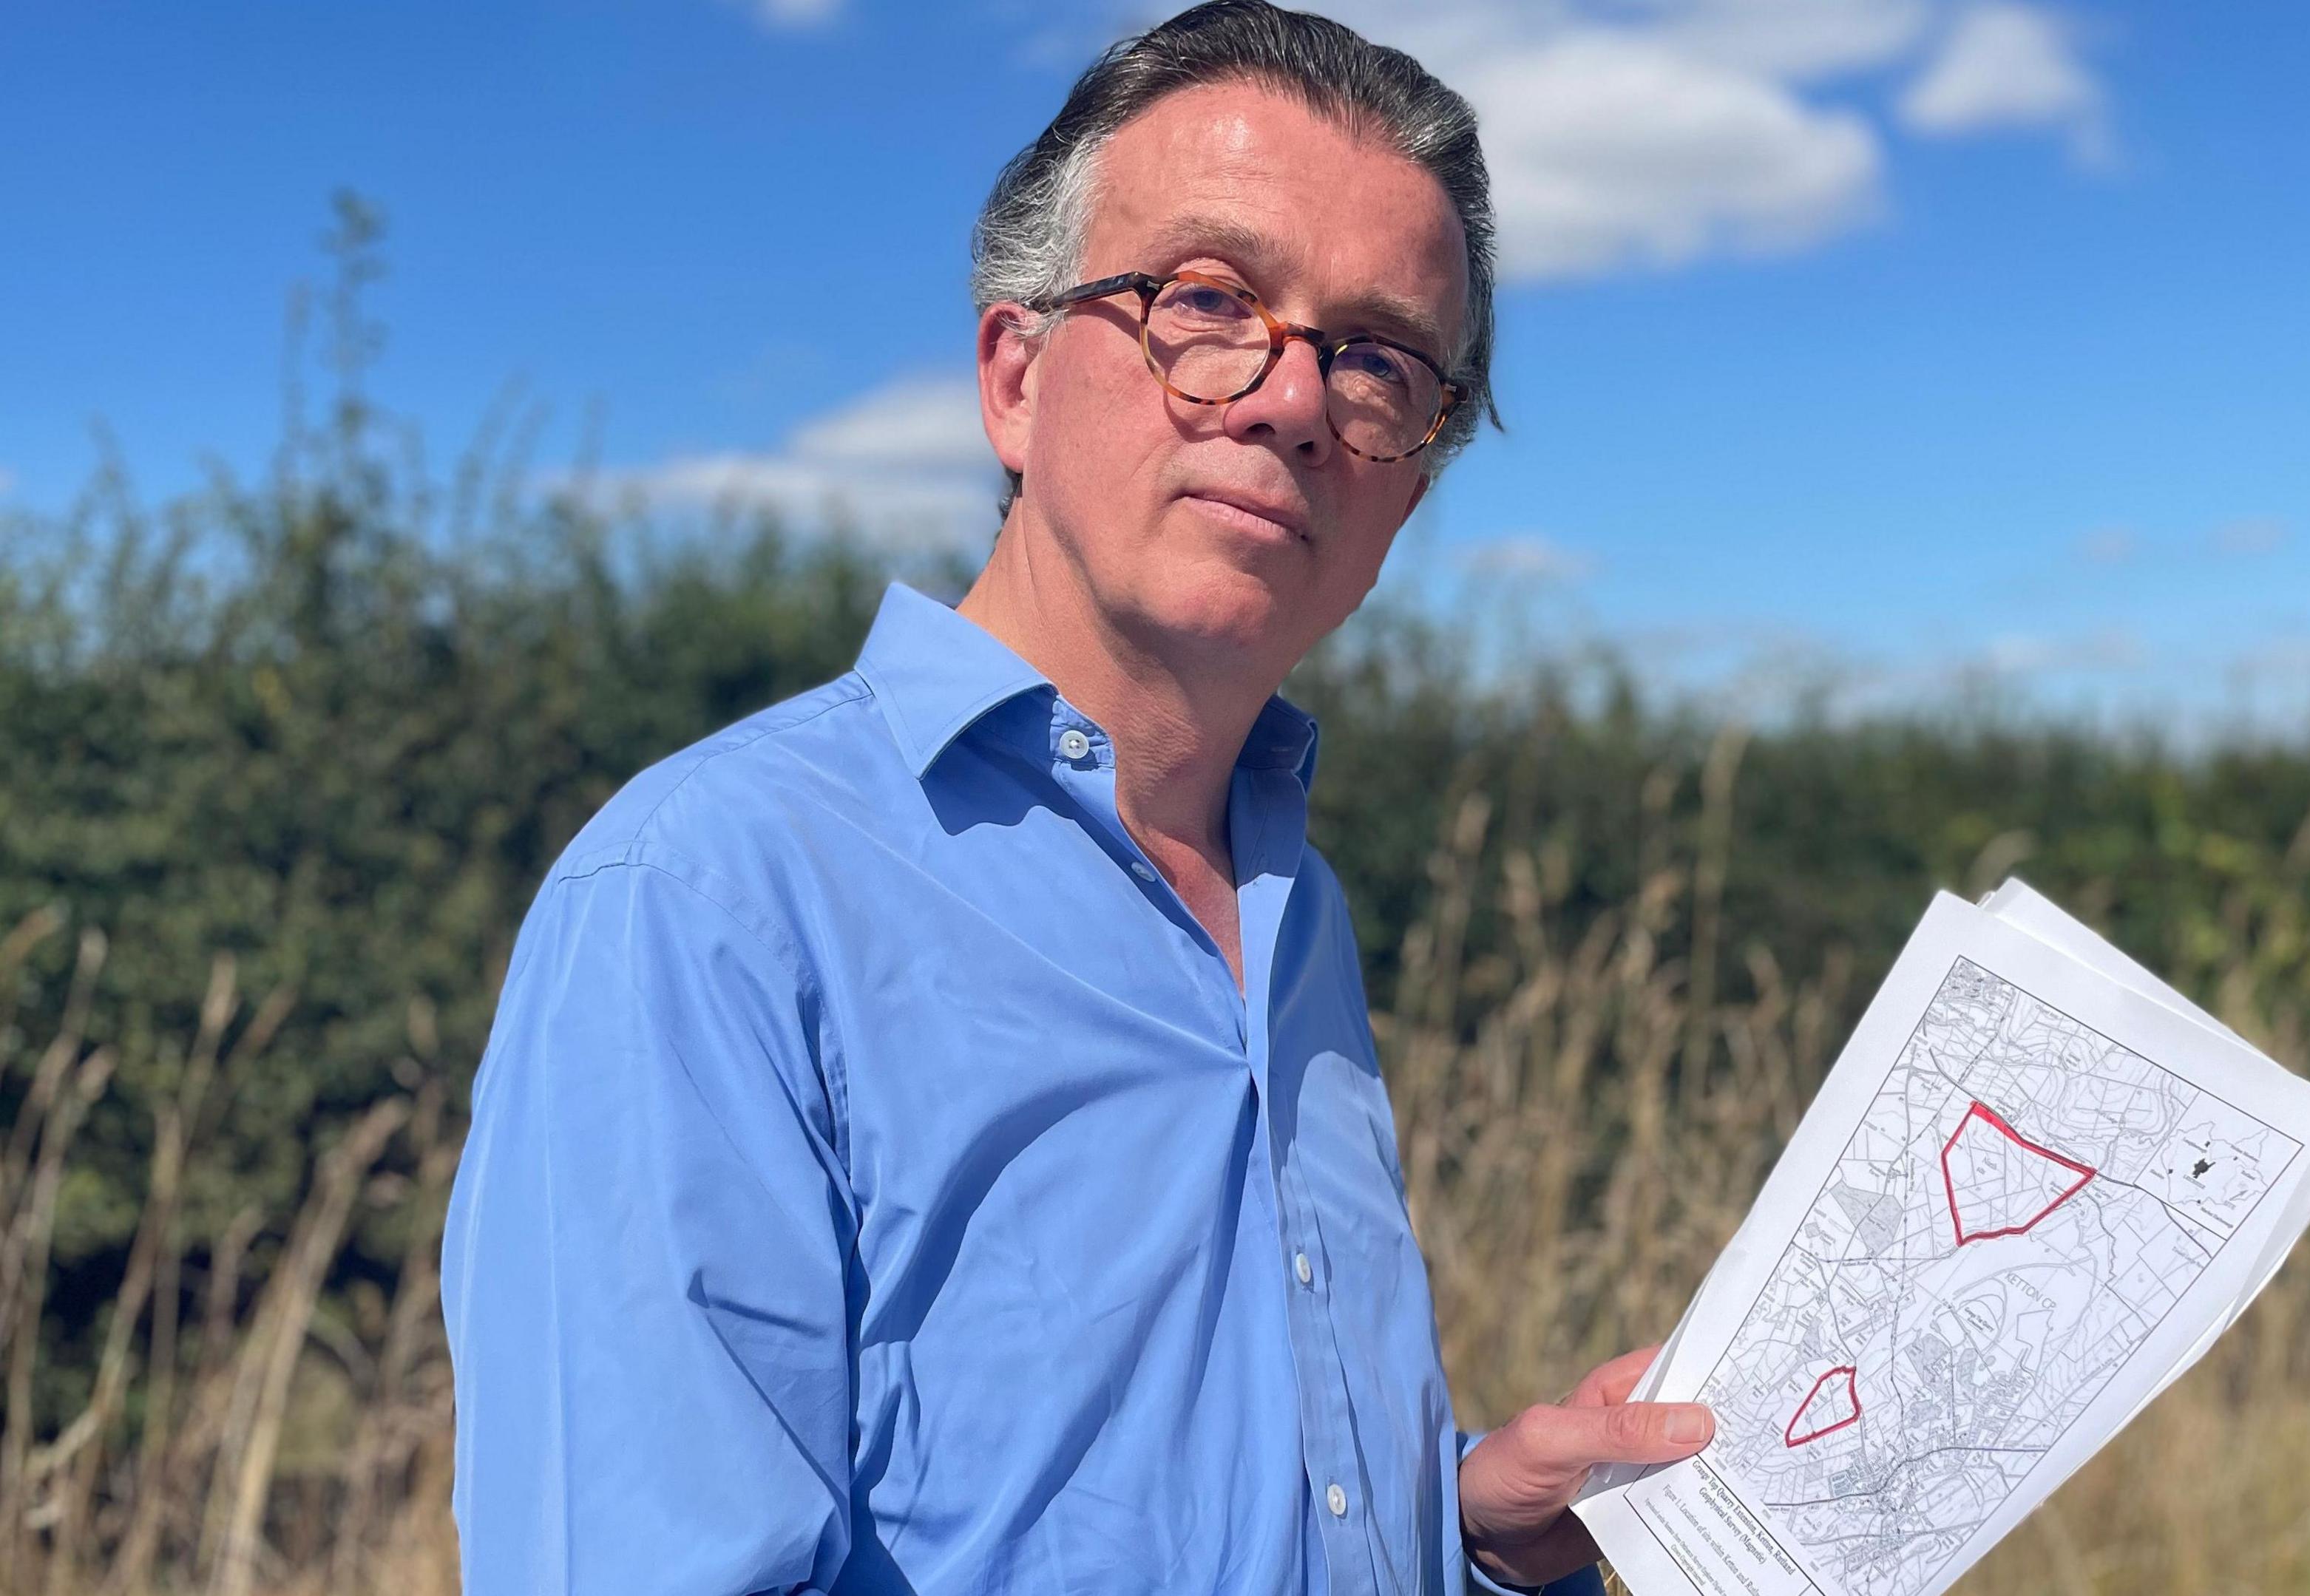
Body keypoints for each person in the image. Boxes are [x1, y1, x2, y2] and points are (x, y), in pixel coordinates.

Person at [437, 4, 1716, 1592]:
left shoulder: (1292, 908)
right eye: (1206, 302)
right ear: (1015, 377)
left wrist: (1472, 1538)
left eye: (1380, 360)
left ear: (1413, 481)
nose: (1293, 398)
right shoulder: (709, 899)